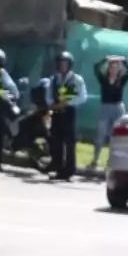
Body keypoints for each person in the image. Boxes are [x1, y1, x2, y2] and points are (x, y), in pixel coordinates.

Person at [46, 51, 87, 181]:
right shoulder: (54, 79)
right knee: (56, 141)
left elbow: (82, 97)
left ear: (70, 65)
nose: (63, 66)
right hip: (57, 113)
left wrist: (68, 103)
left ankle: (69, 170)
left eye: (65, 63)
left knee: (69, 142)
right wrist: (53, 104)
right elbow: (48, 96)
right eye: (61, 63)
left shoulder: (77, 79)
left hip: (69, 113)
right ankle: (58, 169)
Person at [91, 55, 128, 169]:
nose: (113, 69)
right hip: (105, 107)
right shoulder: (103, 79)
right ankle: (95, 159)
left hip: (117, 107)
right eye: (112, 67)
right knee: (101, 133)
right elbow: (96, 68)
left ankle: (112, 161)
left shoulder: (121, 80)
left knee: (115, 134)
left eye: (116, 67)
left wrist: (124, 60)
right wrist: (105, 59)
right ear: (108, 68)